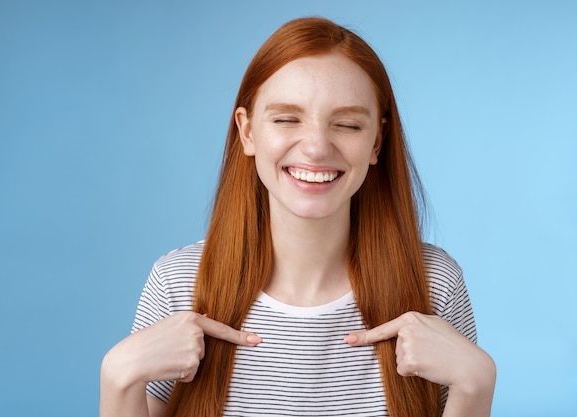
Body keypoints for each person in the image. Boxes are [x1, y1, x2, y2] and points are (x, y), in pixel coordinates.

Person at [100, 17, 496, 417]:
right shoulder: (176, 283)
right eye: (287, 119)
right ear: (248, 131)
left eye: (347, 124)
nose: (316, 147)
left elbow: (470, 386)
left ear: (376, 142)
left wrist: (476, 386)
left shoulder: (435, 283)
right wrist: (118, 377)